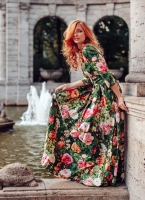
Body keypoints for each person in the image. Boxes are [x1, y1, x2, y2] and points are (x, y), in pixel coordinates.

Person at [41, 20, 128, 187]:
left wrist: (120, 98)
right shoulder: (82, 52)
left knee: (91, 131)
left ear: (86, 33)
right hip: (98, 92)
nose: (76, 34)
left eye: (79, 31)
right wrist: (69, 86)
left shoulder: (88, 49)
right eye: (73, 32)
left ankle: (101, 172)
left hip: (106, 95)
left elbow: (107, 75)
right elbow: (90, 79)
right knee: (94, 132)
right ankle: (98, 170)